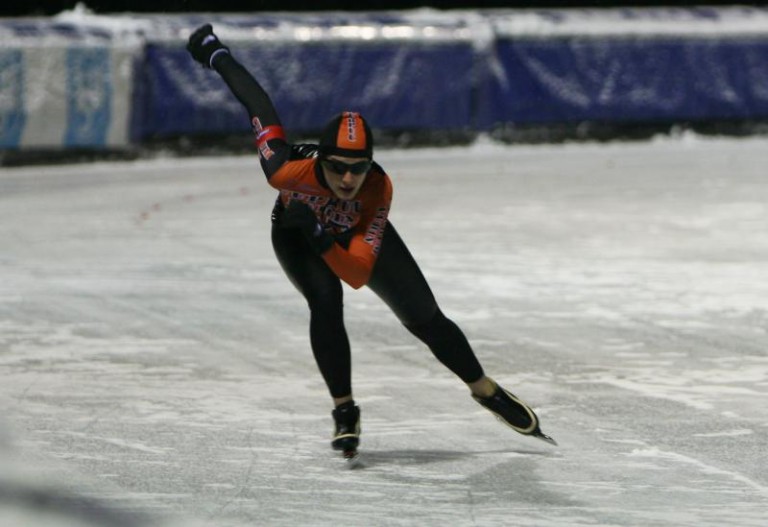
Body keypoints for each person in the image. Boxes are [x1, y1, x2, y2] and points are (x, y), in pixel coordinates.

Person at [186, 24, 555, 455]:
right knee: (325, 301)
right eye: (338, 166)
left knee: (425, 317)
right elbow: (257, 102)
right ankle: (345, 410)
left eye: (358, 168)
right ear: (321, 159)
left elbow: (358, 272)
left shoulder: (377, 189)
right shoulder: (284, 171)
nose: (348, 178)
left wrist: (322, 232)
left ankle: (486, 390)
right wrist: (216, 54)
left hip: (343, 233)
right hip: (296, 236)